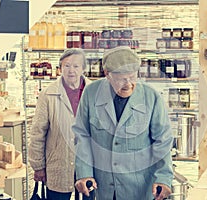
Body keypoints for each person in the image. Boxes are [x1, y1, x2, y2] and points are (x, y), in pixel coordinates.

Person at [72, 46, 174, 200]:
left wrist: (164, 178)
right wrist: (84, 172)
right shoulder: (91, 93)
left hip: (140, 187)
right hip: (104, 186)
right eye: (122, 79)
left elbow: (162, 140)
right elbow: (82, 135)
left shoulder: (151, 97)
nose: (128, 84)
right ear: (107, 74)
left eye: (132, 77)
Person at [29, 48, 91, 200]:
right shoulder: (48, 93)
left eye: (76, 66)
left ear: (83, 68)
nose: (71, 71)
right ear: (60, 68)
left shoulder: (94, 92)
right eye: (67, 66)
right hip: (58, 164)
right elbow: (38, 132)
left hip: (89, 164)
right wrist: (38, 166)